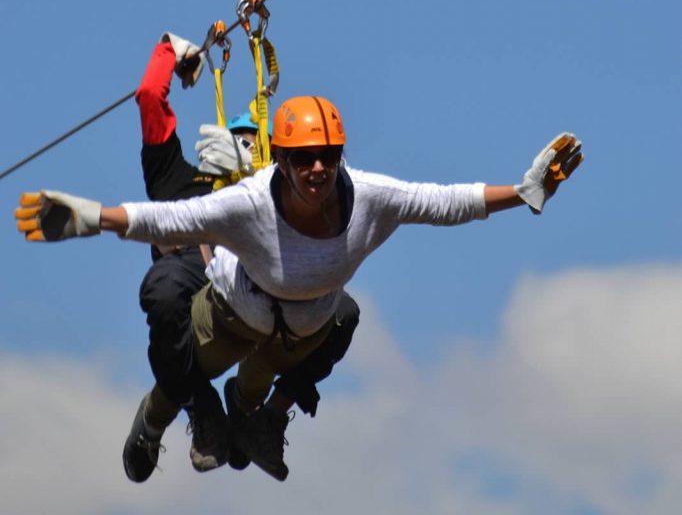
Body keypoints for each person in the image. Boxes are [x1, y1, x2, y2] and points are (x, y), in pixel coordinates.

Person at [15, 95, 583, 483]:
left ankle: (252, 423)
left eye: (328, 156)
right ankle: (154, 421)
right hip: (234, 312)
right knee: (184, 373)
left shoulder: (371, 196)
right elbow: (172, 220)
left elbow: (446, 201)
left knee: (275, 378)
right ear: (281, 161)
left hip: (298, 333)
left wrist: (524, 190)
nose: (318, 169)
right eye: (304, 159)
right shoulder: (249, 205)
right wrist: (95, 216)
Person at [124, 33, 360, 483]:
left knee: (341, 310)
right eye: (240, 140)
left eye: (257, 143)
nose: (247, 148)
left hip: (263, 299)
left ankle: (260, 415)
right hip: (199, 304)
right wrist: (171, 49)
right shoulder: (179, 179)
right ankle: (169, 417)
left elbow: (328, 178)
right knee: (171, 289)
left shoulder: (277, 196)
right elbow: (150, 97)